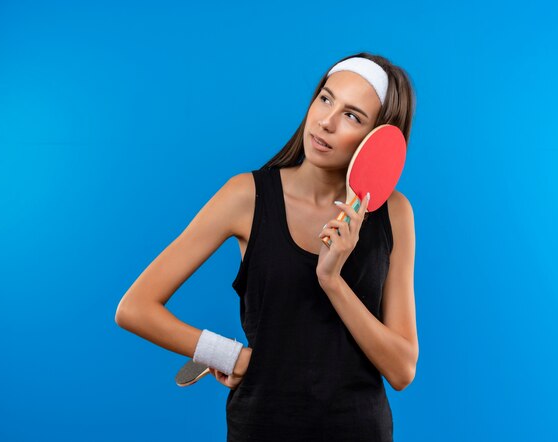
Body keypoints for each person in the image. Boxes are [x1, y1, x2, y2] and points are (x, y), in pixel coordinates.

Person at [115, 51, 418, 442]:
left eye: (351, 116)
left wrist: (332, 281)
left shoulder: (395, 213)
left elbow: (401, 370)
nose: (325, 121)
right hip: (261, 428)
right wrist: (228, 355)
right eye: (325, 99)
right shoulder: (246, 195)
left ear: (376, 139)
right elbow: (134, 308)